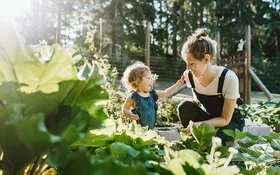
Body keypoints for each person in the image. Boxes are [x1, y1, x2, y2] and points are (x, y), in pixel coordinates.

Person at [177, 28, 245, 143]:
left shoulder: (228, 78)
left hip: (228, 123)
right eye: (186, 63)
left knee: (215, 138)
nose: (188, 69)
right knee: (184, 107)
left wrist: (201, 124)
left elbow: (225, 119)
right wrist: (195, 101)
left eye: (192, 64)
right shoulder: (189, 75)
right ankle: (194, 138)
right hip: (209, 117)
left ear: (206, 59)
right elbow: (196, 95)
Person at [121, 61, 184, 130]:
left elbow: (166, 92)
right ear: (138, 81)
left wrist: (177, 85)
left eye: (151, 78)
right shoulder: (133, 97)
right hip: (137, 131)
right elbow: (124, 108)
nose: (151, 80)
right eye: (148, 78)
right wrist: (130, 115)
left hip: (150, 130)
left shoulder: (152, 94)